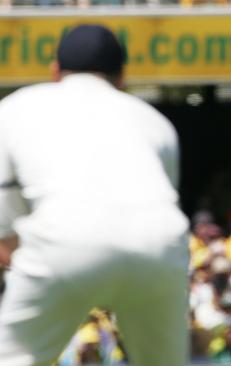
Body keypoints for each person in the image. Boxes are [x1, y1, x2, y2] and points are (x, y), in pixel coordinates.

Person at [0, 24, 189, 365]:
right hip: (159, 243)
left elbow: (3, 203)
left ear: (55, 71)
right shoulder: (154, 120)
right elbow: (165, 196)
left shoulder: (16, 106)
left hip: (63, 242)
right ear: (121, 77)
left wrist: (12, 248)